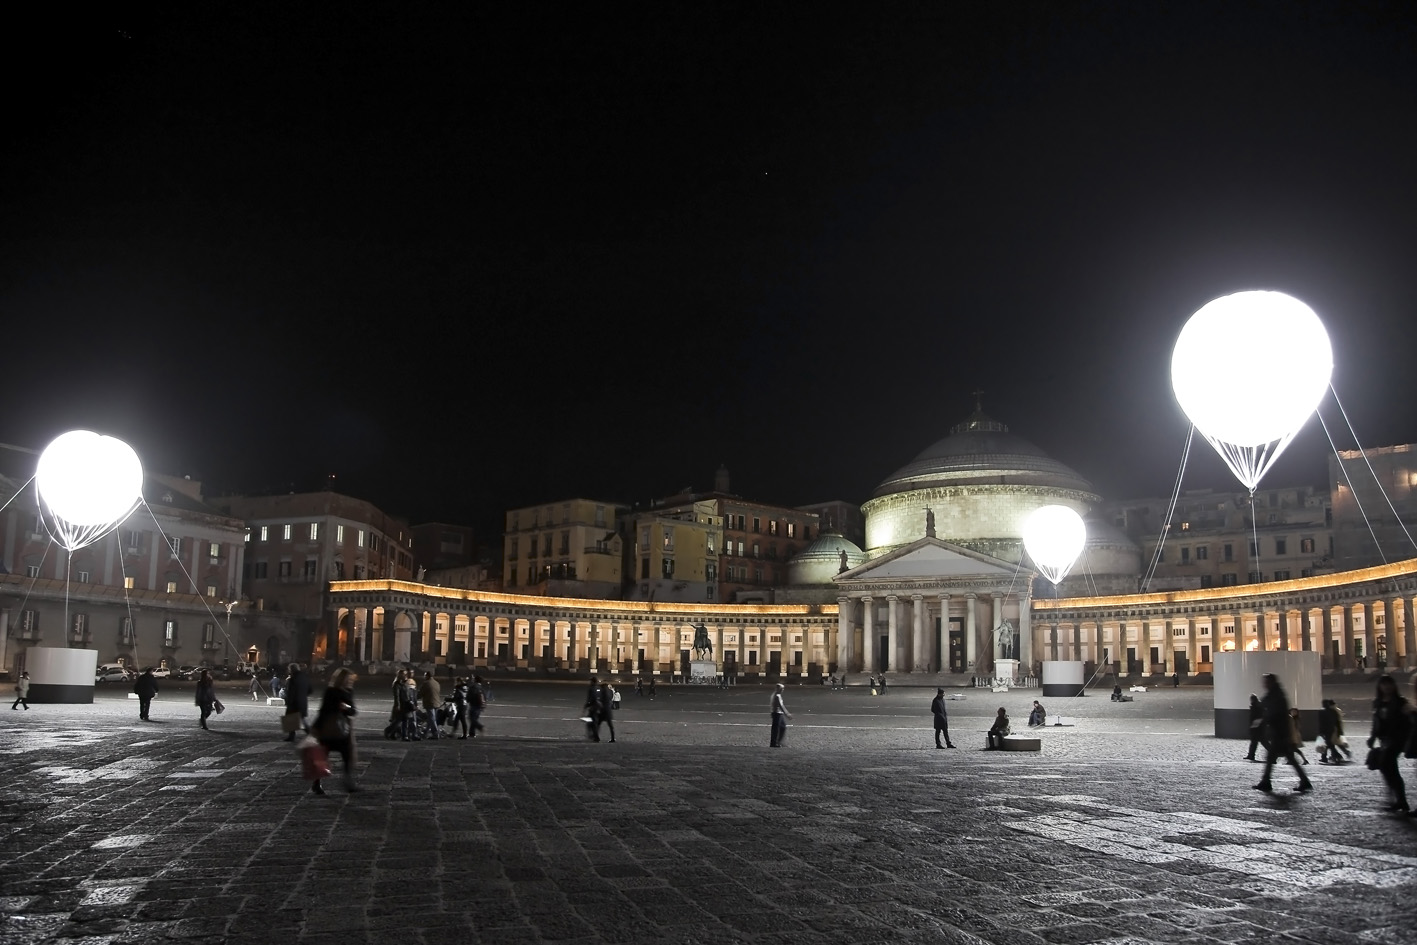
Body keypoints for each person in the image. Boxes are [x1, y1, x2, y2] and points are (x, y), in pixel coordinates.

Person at [1252, 673, 1313, 794]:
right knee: (1286, 758)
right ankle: (1303, 781)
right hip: (1280, 732)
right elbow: (1265, 704)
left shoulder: (1277, 695)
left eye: (1266, 682)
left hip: (1280, 732)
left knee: (1273, 758)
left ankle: (1266, 782)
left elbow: (1275, 713)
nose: (1264, 684)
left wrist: (1264, 719)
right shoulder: (1275, 694)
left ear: (1271, 682)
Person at [310, 667, 359, 795]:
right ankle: (317, 783)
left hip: (343, 730)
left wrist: (346, 707)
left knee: (347, 756)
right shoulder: (330, 691)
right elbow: (323, 711)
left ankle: (347, 781)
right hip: (328, 729)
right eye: (347, 679)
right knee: (323, 758)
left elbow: (353, 711)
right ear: (341, 679)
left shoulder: (349, 692)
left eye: (350, 679)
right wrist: (316, 727)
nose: (350, 682)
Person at [1368, 674, 1412, 814]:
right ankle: (1398, 799)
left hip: (1397, 739)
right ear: (1380, 687)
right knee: (1388, 769)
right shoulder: (1378, 702)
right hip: (1384, 740)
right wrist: (1372, 737)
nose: (1387, 687)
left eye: (1389, 684)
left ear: (1394, 686)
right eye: (1384, 684)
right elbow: (1376, 722)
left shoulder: (1400, 702)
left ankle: (1399, 800)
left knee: (1387, 765)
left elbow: (1409, 722)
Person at [283, 663, 310, 741]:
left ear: (291, 670)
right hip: (302, 702)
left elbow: (290, 692)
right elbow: (310, 690)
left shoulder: (292, 679)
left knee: (294, 720)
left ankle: (293, 736)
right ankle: (292, 736)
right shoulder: (305, 678)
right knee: (301, 720)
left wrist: (288, 701)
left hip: (294, 703)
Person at [417, 671, 442, 739]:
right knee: (430, 719)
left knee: (431, 719)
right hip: (437, 703)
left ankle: (435, 733)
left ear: (427, 676)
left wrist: (414, 698)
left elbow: (420, 693)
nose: (424, 677)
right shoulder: (437, 683)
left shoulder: (426, 683)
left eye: (425, 675)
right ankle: (426, 732)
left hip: (430, 703)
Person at [1243, 694, 1265, 761]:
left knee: (1257, 742)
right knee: (1257, 742)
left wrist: (1252, 726)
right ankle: (1251, 755)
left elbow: (1255, 717)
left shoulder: (1255, 706)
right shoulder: (1258, 705)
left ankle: (1251, 755)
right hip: (1258, 727)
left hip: (1256, 727)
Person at [585, 677, 602, 741]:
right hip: (598, 708)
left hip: (593, 708)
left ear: (593, 682)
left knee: (591, 722)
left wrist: (587, 705)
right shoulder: (599, 688)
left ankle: (595, 736)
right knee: (594, 722)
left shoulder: (591, 689)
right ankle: (594, 735)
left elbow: (591, 698)